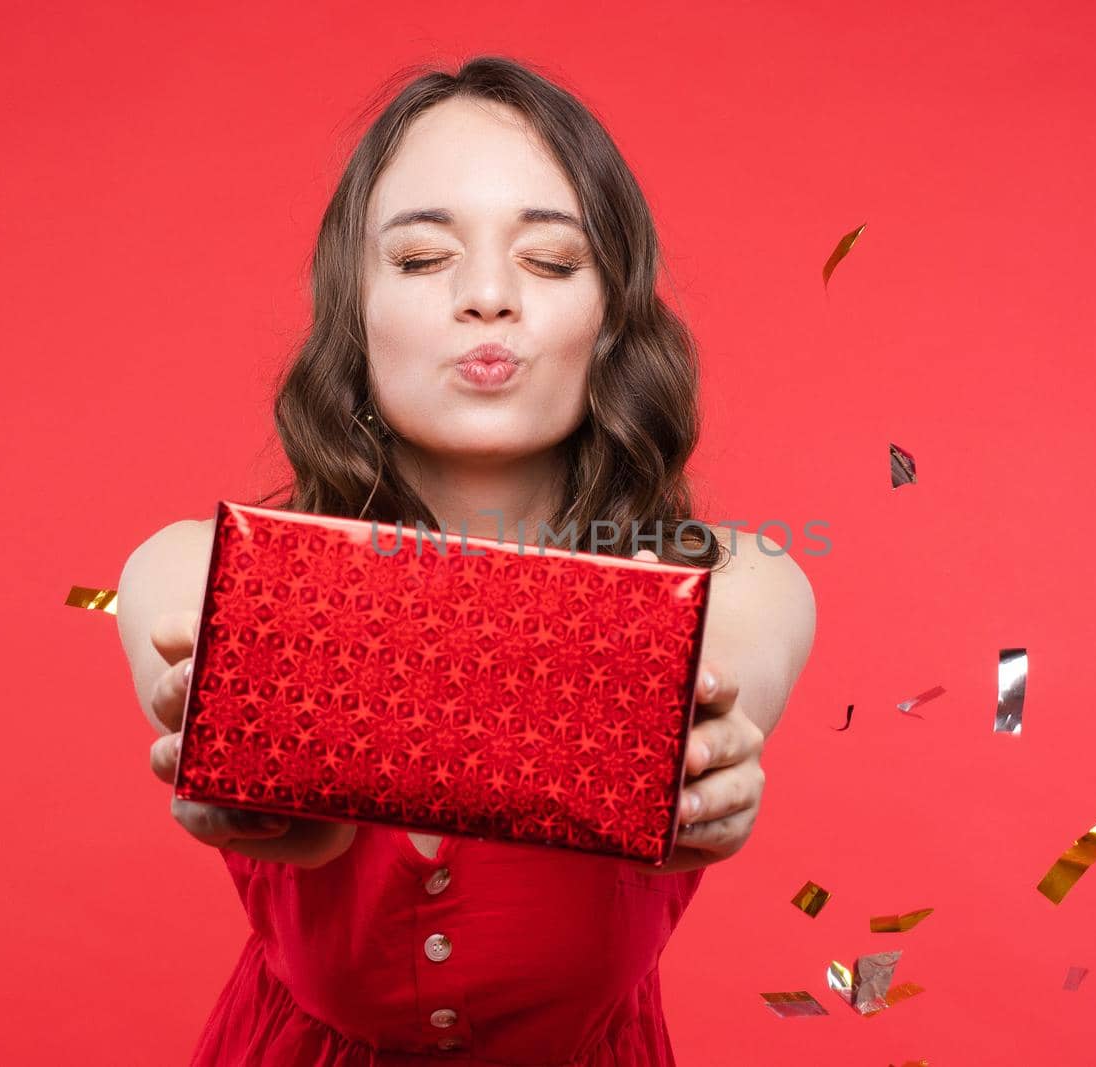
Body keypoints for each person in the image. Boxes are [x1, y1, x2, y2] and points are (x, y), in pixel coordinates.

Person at [114, 55, 817, 1066]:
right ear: (354, 316)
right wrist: (245, 785)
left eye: (550, 260)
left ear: (614, 318)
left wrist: (704, 766)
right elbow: (266, 795)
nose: (487, 296)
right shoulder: (190, 568)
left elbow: (717, 695)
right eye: (421, 258)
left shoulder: (741, 582)